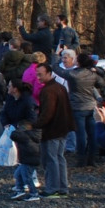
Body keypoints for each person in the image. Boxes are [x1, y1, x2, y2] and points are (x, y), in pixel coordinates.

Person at [55, 52, 105, 166]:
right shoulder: (92, 74)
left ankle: (81, 159)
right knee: (92, 133)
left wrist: (58, 57)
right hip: (90, 105)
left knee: (81, 134)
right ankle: (92, 158)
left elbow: (57, 69)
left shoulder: (73, 74)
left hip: (77, 106)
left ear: (78, 62)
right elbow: (102, 83)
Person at [32, 62, 74, 197]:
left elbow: (47, 113)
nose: (38, 77)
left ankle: (52, 188)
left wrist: (36, 125)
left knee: (51, 160)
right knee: (59, 158)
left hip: (52, 129)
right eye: (37, 74)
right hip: (63, 128)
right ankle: (62, 187)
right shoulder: (60, 87)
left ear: (49, 74)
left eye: (41, 74)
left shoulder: (48, 91)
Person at [2, 81, 41, 199]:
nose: (8, 87)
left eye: (10, 85)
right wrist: (6, 123)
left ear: (15, 89)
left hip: (26, 141)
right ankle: (20, 188)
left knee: (25, 171)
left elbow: (32, 120)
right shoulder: (10, 99)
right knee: (20, 170)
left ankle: (32, 191)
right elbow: (4, 112)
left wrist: (19, 129)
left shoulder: (28, 102)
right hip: (20, 133)